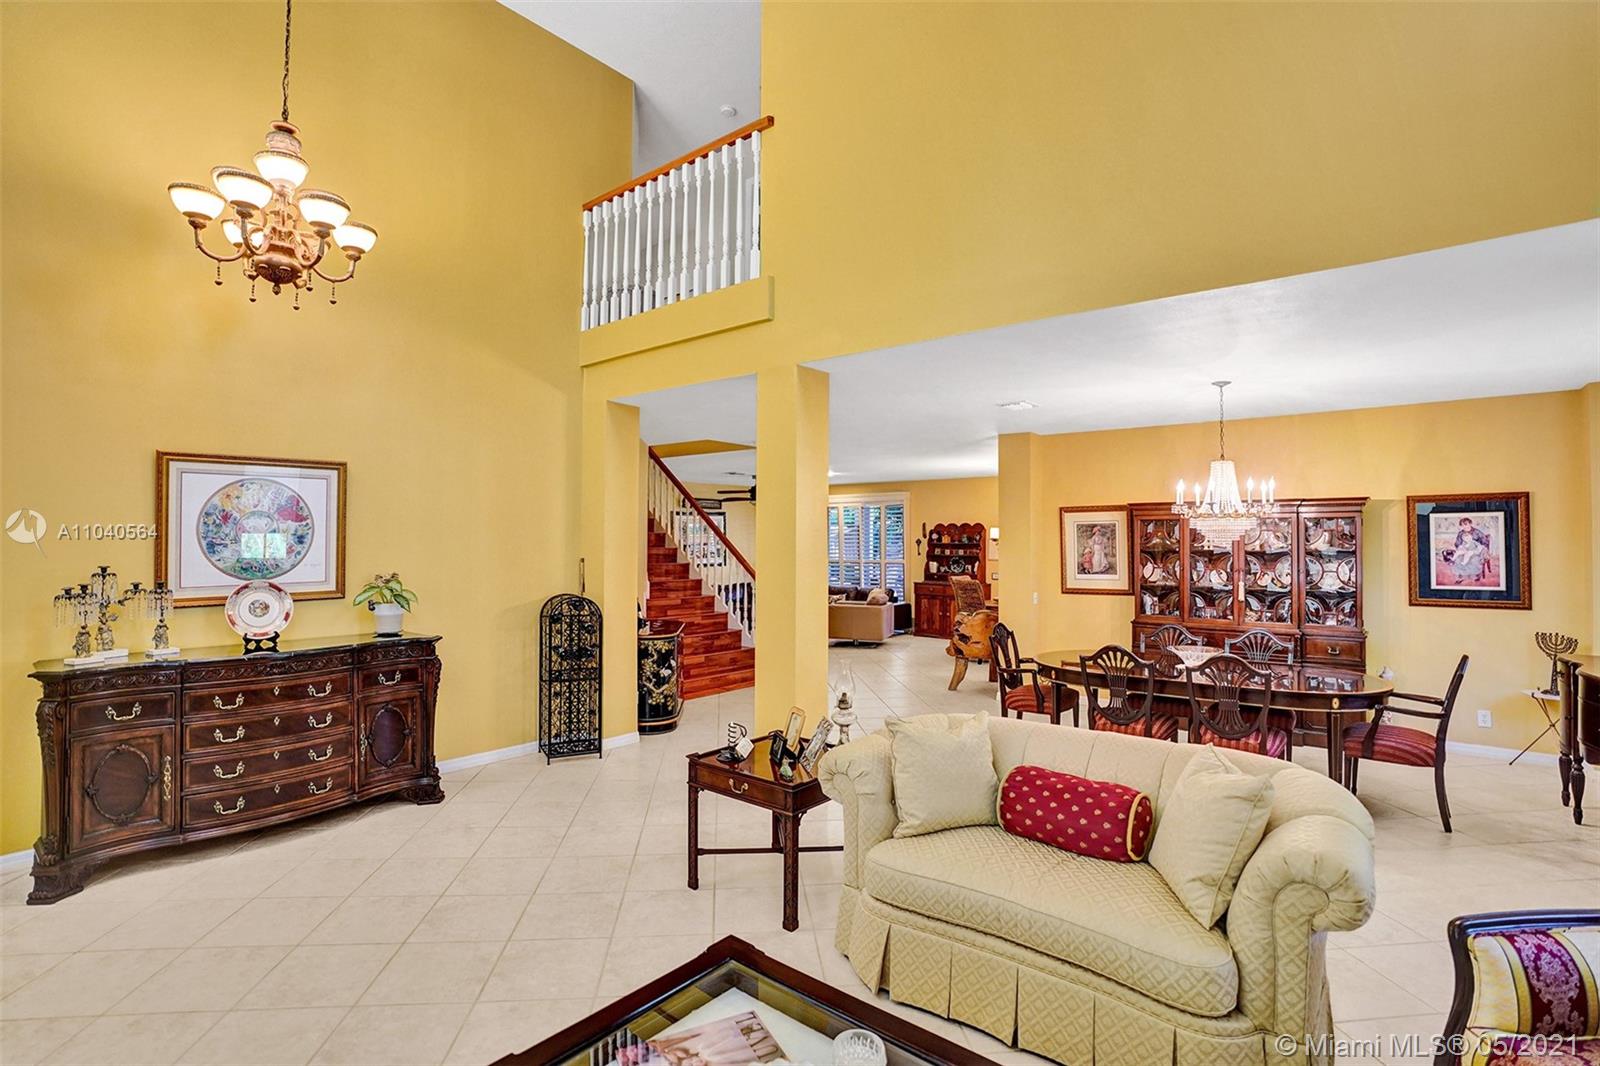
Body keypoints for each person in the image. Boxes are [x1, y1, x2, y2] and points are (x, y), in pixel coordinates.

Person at [1446, 516, 1492, 584]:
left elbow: (1485, 542)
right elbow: (1457, 543)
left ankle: (1476, 575)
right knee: (1459, 558)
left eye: (1466, 524)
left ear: (1470, 523)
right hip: (1464, 550)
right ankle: (1461, 576)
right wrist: (1461, 548)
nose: (1464, 527)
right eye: (1462, 525)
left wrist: (1477, 550)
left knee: (1474, 559)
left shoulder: (1477, 532)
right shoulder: (1461, 533)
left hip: (1476, 551)